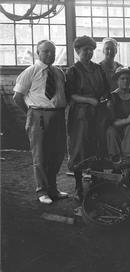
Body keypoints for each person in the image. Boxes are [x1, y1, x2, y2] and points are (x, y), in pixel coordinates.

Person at [13, 40, 68, 204]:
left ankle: (53, 188)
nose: (49, 54)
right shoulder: (30, 71)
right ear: (38, 53)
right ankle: (42, 191)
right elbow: (17, 97)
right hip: (38, 116)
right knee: (41, 155)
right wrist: (32, 114)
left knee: (57, 153)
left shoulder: (59, 73)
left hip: (57, 116)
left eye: (52, 51)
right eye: (45, 52)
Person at [66, 35, 110, 202]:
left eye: (91, 50)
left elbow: (105, 89)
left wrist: (104, 98)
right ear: (78, 51)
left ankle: (95, 183)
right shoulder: (73, 71)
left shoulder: (98, 69)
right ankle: (78, 186)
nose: (89, 53)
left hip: (98, 114)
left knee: (97, 146)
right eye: (85, 50)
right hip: (81, 115)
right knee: (79, 149)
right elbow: (71, 94)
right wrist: (89, 100)